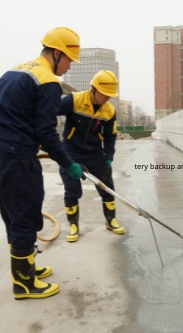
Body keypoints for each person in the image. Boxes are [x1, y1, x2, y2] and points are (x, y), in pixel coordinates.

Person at [0, 27, 88, 300]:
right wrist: (69, 164)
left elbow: (9, 116)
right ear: (56, 53)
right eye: (68, 61)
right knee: (26, 218)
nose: (67, 68)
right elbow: (45, 133)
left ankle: (27, 268)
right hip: (16, 157)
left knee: (14, 217)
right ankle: (24, 285)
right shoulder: (48, 81)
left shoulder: (14, 72)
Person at [58, 70, 124, 242]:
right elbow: (49, 112)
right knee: (72, 191)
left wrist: (108, 159)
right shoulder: (74, 100)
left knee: (106, 186)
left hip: (95, 154)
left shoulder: (109, 110)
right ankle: (73, 225)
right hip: (71, 152)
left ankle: (111, 220)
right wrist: (47, 140)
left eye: (111, 95)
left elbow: (110, 137)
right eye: (105, 94)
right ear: (93, 88)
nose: (108, 98)